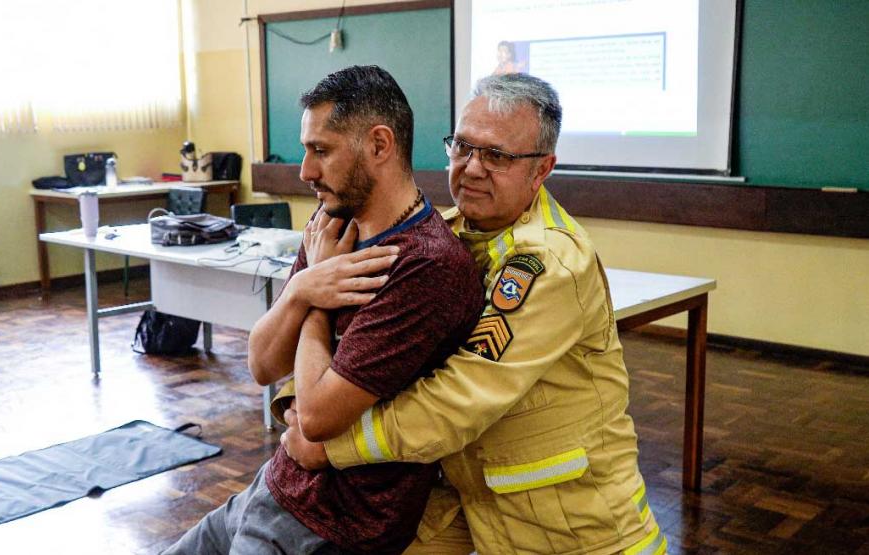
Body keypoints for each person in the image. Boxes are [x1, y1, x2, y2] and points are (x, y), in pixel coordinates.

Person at [279, 73, 667, 555]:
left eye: (497, 156)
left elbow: (459, 397)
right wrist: (303, 402)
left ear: (542, 169)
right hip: (474, 501)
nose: (472, 168)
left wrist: (331, 446)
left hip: (577, 526)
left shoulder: (549, 263)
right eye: (462, 147)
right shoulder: (445, 234)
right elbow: (357, 339)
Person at [162, 65, 484, 555]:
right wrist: (302, 289)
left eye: (321, 150)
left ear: (380, 145)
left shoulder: (427, 264)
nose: (305, 171)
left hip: (335, 528)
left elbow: (313, 417)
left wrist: (314, 296)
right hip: (273, 488)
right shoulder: (329, 224)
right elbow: (262, 363)